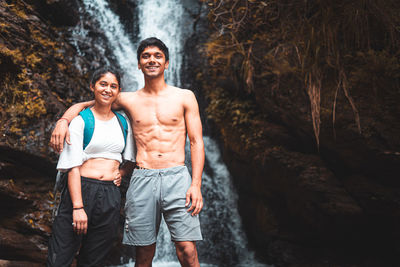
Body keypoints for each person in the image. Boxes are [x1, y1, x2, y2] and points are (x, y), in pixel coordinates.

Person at [50, 37, 205, 267]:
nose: (152, 60)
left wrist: (195, 184)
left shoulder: (184, 96)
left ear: (167, 63)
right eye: (146, 56)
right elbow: (92, 103)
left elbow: (196, 142)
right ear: (139, 64)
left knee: (187, 250)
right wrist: (64, 120)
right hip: (142, 178)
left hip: (177, 177)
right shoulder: (127, 99)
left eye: (157, 56)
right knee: (143, 253)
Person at [47, 67, 135, 267]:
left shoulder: (123, 122)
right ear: (92, 87)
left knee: (95, 258)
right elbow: (73, 167)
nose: (107, 90)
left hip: (110, 194)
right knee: (60, 255)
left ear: (118, 91)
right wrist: (78, 207)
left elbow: (130, 159)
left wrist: (121, 173)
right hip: (81, 189)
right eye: (103, 84)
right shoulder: (80, 121)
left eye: (113, 86)